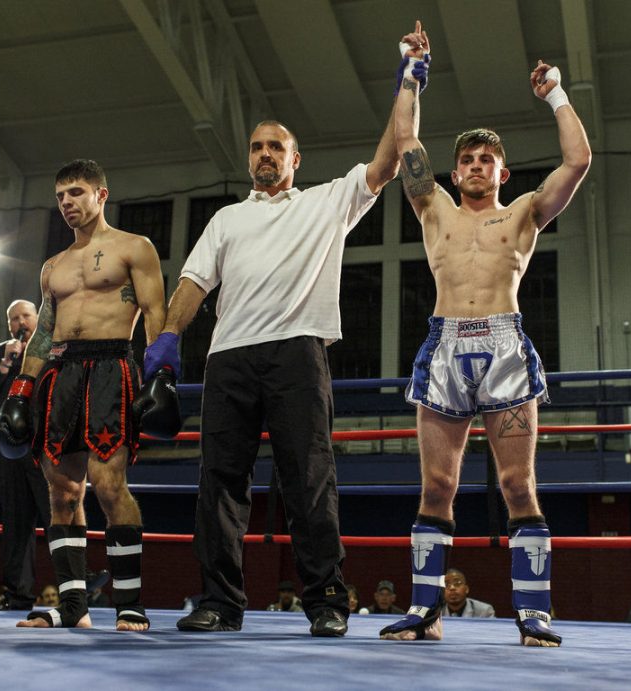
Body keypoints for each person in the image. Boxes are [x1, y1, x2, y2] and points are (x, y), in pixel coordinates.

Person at [137, 25, 429, 638]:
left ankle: (325, 600)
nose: (266, 154)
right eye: (257, 147)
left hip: (298, 352)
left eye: (277, 147)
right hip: (229, 357)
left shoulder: (325, 202)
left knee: (309, 479)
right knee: (219, 480)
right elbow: (192, 285)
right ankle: (220, 601)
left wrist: (408, 78)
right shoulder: (225, 218)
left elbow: (390, 157)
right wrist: (163, 347)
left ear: (295, 160)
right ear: (249, 158)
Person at [379, 23, 591, 647]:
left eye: (486, 159)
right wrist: (411, 74)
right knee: (437, 485)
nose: (475, 166)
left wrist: (555, 94)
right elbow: (403, 140)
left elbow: (578, 161)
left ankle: (533, 616)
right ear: (455, 169)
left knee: (518, 484)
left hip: (504, 345)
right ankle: (425, 612)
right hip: (445, 343)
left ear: (502, 170)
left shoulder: (524, 211)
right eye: (467, 159)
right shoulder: (434, 208)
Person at [0, 159, 168, 631]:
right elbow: (44, 333)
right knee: (62, 492)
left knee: (110, 486)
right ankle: (73, 606)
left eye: (75, 193)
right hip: (59, 373)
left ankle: (129, 603)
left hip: (113, 364)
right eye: (60, 197)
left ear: (100, 194)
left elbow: (156, 313)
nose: (67, 203)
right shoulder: (53, 265)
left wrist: (162, 373)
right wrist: (20, 390)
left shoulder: (135, 248)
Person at [0, 299, 51, 610]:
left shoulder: (53, 348)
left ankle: (76, 590)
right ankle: (18, 594)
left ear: (37, 318)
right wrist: (5, 364)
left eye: (25, 316)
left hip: (44, 447)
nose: (21, 322)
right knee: (16, 521)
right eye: (14, 318)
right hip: (8, 449)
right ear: (9, 325)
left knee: (56, 514)